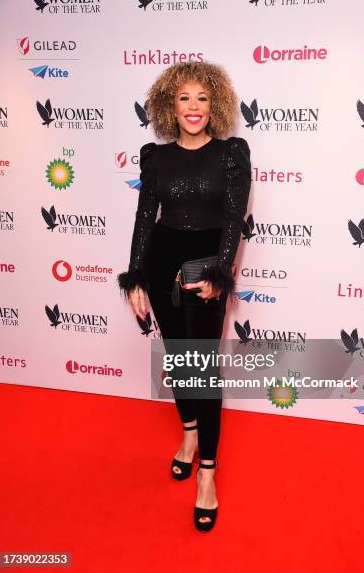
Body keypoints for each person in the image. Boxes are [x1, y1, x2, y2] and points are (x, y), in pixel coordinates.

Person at [117, 60, 251, 532]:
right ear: (168, 107)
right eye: (183, 98)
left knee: (202, 368)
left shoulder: (231, 153)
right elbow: (143, 218)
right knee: (178, 358)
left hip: (204, 265)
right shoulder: (155, 156)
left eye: (201, 98)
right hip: (162, 261)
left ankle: (207, 475)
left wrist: (220, 271)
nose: (193, 107)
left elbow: (234, 220)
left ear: (213, 104)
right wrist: (135, 276)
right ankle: (189, 437)